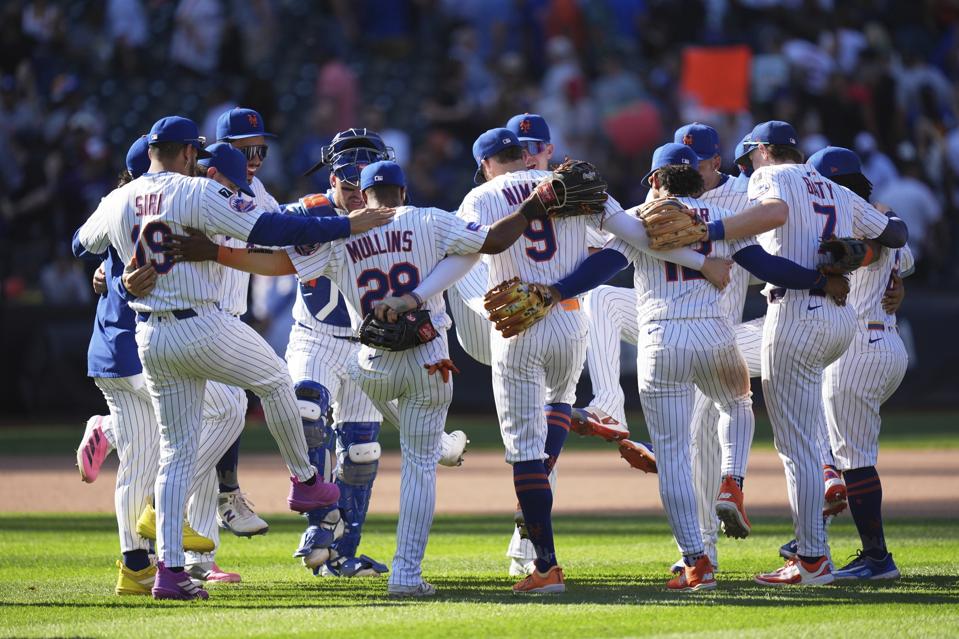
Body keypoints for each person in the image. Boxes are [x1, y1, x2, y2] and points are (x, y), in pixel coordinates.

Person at [165, 159, 555, 596]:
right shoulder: (429, 219)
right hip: (427, 358)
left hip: (370, 361)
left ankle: (332, 497)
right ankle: (406, 575)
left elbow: (279, 265)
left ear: (363, 196)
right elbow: (495, 240)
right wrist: (532, 207)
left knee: (347, 382)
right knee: (419, 466)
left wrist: (214, 252)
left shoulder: (344, 233)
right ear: (403, 192)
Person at [73, 115, 393, 600]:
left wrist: (112, 271)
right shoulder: (196, 190)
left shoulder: (119, 198)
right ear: (187, 153)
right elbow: (270, 227)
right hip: (202, 321)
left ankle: (170, 574)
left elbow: (79, 243)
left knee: (176, 454)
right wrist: (348, 223)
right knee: (278, 382)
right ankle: (306, 481)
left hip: (151, 336)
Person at [541, 142, 850, 591]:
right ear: (699, 180)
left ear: (654, 180)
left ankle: (695, 562)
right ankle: (731, 478)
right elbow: (767, 266)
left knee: (672, 457)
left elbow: (602, 268)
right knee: (737, 402)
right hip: (715, 336)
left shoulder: (641, 218)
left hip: (661, 339)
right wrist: (820, 279)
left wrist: (555, 290)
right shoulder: (720, 218)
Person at [448, 128, 731, 594]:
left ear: (484, 165)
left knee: (523, 452)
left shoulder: (481, 196)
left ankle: (545, 566)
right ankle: (546, 474)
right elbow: (638, 237)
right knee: (559, 401)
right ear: (525, 155)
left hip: (519, 323)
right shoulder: (571, 183)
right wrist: (701, 261)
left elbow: (471, 248)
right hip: (569, 316)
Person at [659, 120, 907, 586]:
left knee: (796, 448)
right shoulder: (834, 188)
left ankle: (811, 558)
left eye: (749, 159)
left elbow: (773, 213)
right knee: (806, 435)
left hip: (797, 311)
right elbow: (894, 234)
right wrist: (863, 247)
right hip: (839, 319)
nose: (747, 169)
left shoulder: (769, 174)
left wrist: (710, 230)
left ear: (762, 151)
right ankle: (820, 508)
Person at [790, 146, 913, 581]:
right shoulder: (878, 218)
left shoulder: (847, 223)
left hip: (858, 348)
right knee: (826, 437)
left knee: (854, 458)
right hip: (884, 342)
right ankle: (812, 532)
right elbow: (904, 258)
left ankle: (877, 558)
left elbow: (853, 254)